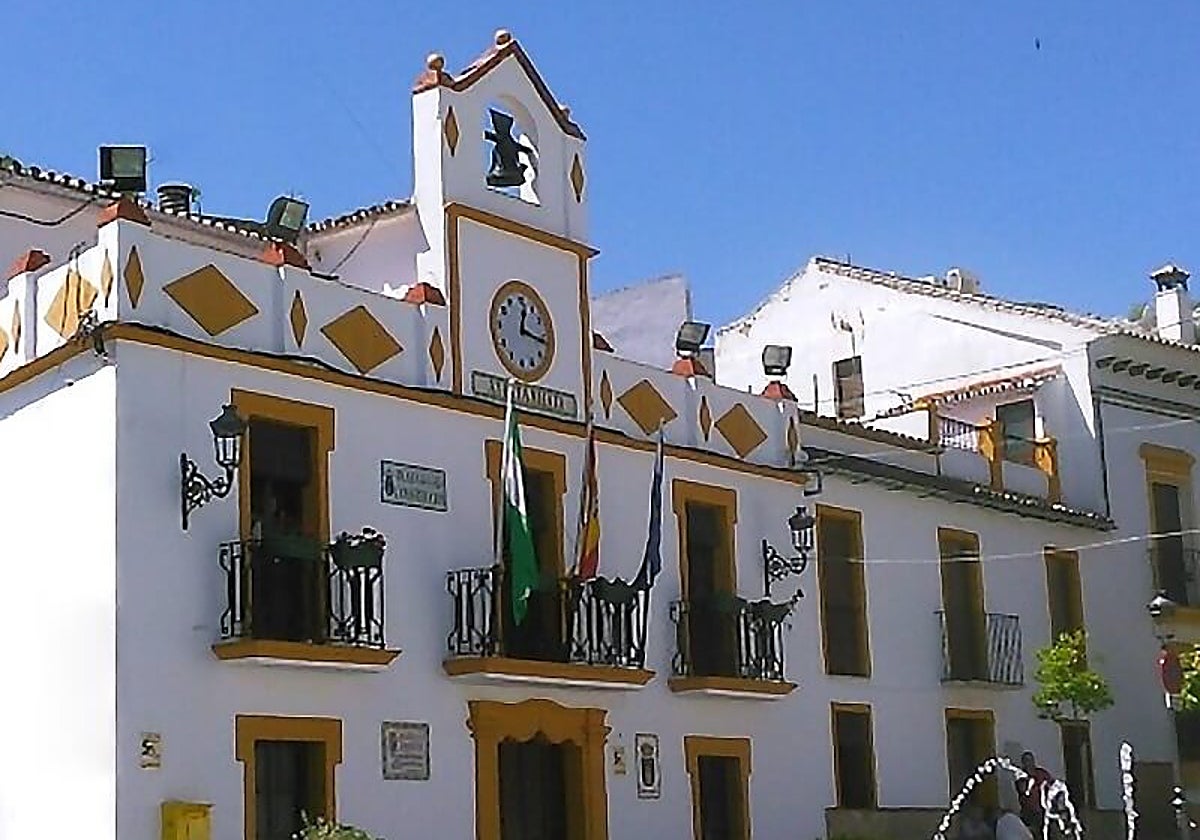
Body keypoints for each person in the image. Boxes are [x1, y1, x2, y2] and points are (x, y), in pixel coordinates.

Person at [1016, 751, 1054, 831]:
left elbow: (1052, 784)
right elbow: (1022, 789)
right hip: (1030, 812)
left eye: (1030, 760)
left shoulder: (1041, 773)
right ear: (1023, 763)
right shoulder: (1020, 776)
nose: (1029, 763)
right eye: (1026, 760)